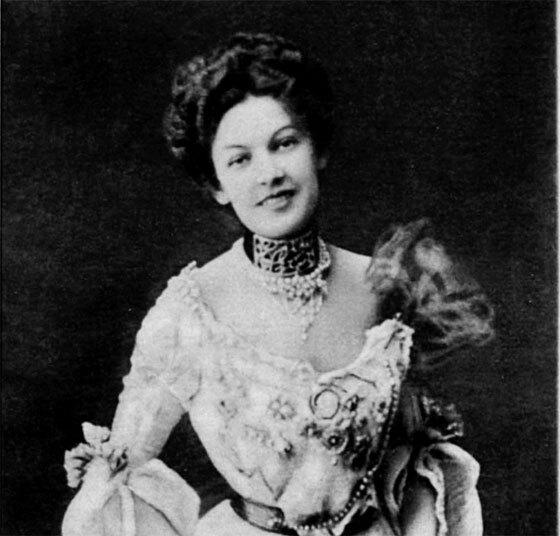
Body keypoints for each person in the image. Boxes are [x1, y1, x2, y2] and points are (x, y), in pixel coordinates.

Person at [61, 32, 494, 536]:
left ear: (317, 150)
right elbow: (122, 467)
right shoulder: (190, 311)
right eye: (240, 159)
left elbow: (414, 458)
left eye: (284, 143)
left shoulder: (383, 287)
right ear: (217, 185)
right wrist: (102, 469)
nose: (269, 173)